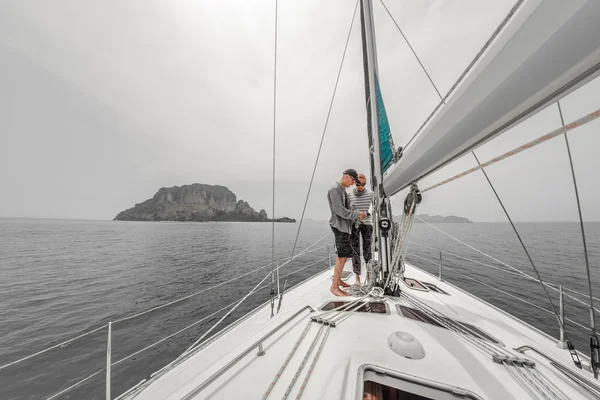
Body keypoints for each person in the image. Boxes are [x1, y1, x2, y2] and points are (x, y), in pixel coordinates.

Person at [327, 169, 367, 296]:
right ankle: (334, 287)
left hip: (344, 227)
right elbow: (339, 210)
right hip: (339, 227)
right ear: (347, 177)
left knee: (342, 254)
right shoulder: (335, 189)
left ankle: (338, 280)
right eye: (353, 181)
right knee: (342, 256)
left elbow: (346, 209)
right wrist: (356, 214)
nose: (352, 184)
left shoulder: (342, 190)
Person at [348, 173, 373, 285]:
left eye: (363, 184)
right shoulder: (349, 196)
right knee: (355, 251)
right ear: (355, 183)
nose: (360, 186)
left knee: (367, 251)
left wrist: (367, 214)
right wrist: (356, 214)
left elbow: (374, 208)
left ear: (365, 183)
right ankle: (357, 278)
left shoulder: (371, 194)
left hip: (367, 224)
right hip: (354, 224)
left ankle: (368, 276)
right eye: (358, 183)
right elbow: (348, 210)